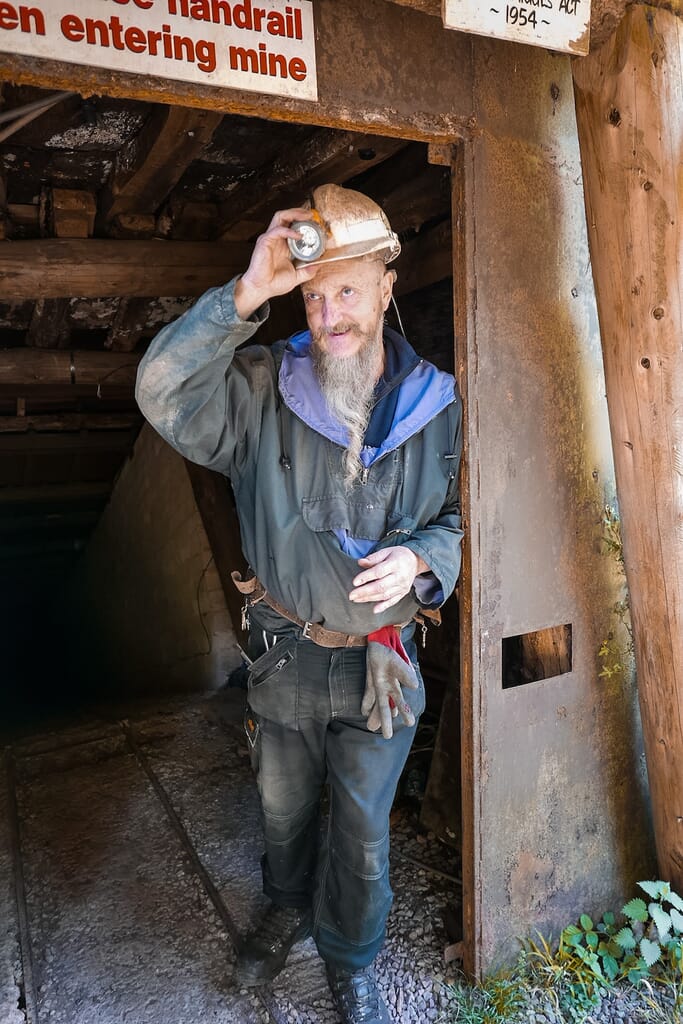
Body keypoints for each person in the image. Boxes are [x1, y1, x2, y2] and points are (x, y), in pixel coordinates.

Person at [135, 184, 463, 1024]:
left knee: (361, 830)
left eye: (346, 290)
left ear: (386, 287)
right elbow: (163, 390)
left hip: (382, 661)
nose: (327, 316)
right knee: (282, 811)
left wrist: (422, 558)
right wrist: (248, 292)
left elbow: (467, 518)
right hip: (285, 653)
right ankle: (285, 906)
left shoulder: (441, 404)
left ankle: (350, 958)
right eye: (313, 297)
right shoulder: (260, 389)